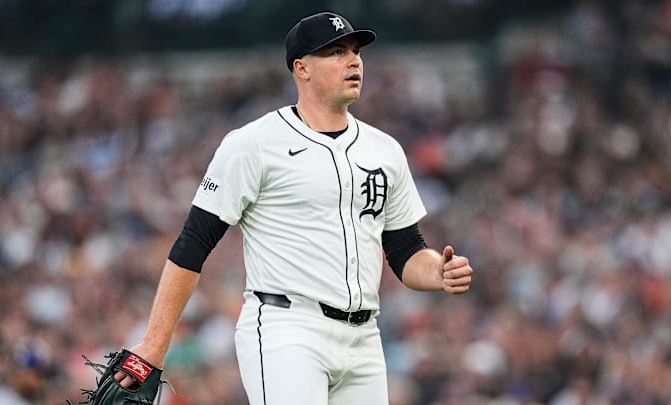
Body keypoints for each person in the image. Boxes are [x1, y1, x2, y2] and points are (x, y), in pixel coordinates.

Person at [116, 11, 474, 405]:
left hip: (364, 339)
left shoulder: (384, 149)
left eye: (355, 51)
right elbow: (193, 243)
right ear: (301, 68)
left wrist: (437, 272)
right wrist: (155, 341)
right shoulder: (253, 143)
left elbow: (406, 251)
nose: (354, 61)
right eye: (336, 52)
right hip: (286, 328)